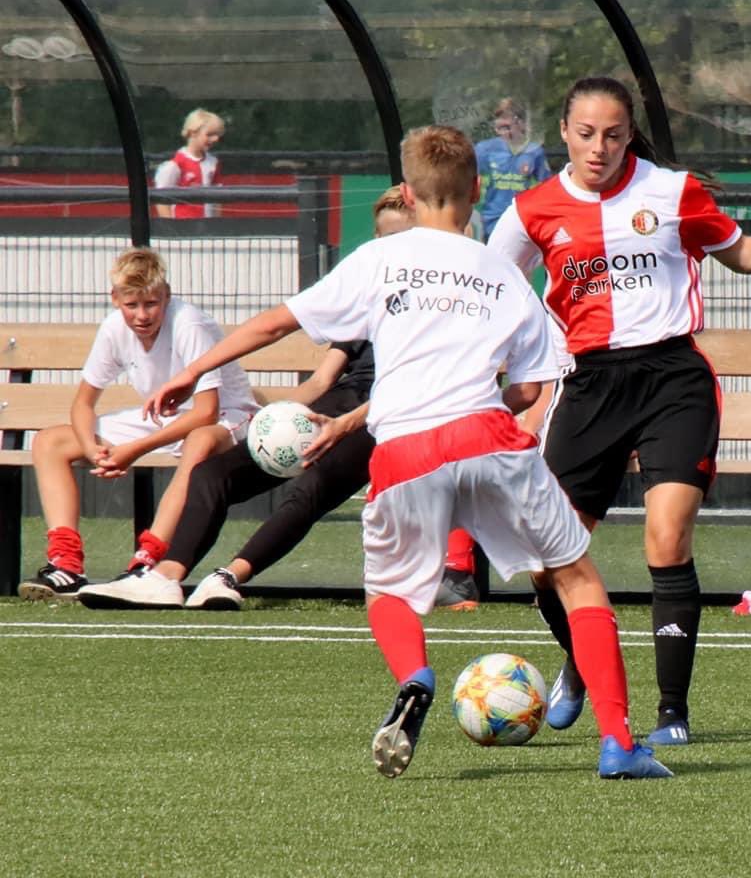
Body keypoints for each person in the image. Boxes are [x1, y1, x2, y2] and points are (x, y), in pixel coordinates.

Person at [145, 124, 673, 781]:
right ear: (475, 191)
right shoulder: (503, 275)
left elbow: (278, 321)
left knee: (390, 595)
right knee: (576, 580)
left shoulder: (380, 259)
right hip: (489, 438)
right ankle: (619, 744)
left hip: (403, 451)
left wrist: (189, 371)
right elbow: (529, 388)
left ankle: (415, 676)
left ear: (410, 193)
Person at [488, 75, 751, 747]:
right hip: (589, 385)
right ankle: (580, 661)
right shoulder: (532, 210)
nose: (597, 147)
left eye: (611, 134)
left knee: (666, 537)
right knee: (546, 559)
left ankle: (670, 714)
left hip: (672, 380)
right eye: (584, 134)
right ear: (563, 134)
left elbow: (739, 251)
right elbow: (491, 290)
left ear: (628, 134)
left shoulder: (671, 191)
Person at [76, 187, 478, 611]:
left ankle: (229, 576)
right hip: (340, 403)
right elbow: (323, 378)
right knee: (213, 474)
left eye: (402, 238)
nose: (390, 249)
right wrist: (278, 416)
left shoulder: (443, 303)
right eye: (383, 239)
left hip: (392, 415)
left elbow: (417, 387)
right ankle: (166, 576)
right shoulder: (370, 299)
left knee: (313, 483)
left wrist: (346, 424)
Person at [18, 248, 258, 602]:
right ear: (115, 300)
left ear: (167, 296)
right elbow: (83, 403)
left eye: (152, 303)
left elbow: (206, 411)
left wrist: (132, 450)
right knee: (49, 442)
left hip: (228, 417)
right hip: (167, 419)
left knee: (199, 442)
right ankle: (66, 565)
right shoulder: (114, 328)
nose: (142, 315)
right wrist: (91, 448)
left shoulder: (188, 324)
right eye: (132, 305)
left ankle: (149, 562)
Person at [474, 98, 551, 240]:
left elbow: (546, 187)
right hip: (492, 220)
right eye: (499, 127)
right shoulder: (484, 149)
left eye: (507, 127)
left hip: (521, 220)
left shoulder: (534, 151)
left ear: (521, 124)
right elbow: (468, 182)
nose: (503, 133)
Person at [153, 108, 225, 219]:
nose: (215, 139)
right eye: (209, 134)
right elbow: (161, 200)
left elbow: (217, 200)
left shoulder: (213, 163)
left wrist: (217, 224)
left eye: (217, 135)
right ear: (193, 133)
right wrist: (170, 228)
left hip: (208, 228)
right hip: (183, 228)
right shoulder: (176, 164)